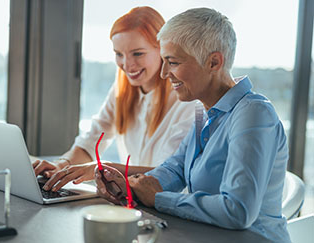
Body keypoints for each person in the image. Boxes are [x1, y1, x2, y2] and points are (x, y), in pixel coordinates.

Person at [96, 7, 291, 242]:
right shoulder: (204, 112)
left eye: (173, 62)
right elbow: (175, 169)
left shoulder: (254, 114)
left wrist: (158, 198)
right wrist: (128, 186)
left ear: (213, 62)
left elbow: (238, 211)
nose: (164, 73)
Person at [33, 6, 195, 192]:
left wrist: (105, 169)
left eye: (137, 53)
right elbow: (90, 142)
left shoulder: (187, 101)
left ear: (162, 50)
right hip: (134, 200)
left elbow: (171, 174)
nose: (127, 65)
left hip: (166, 204)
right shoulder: (123, 91)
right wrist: (62, 164)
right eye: (119, 54)